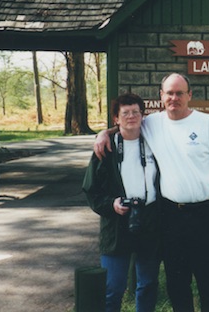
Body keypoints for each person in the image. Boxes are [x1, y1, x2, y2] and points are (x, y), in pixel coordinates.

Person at [94, 72, 209, 312]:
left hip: (205, 215)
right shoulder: (153, 123)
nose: (174, 98)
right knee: (177, 284)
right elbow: (128, 124)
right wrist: (104, 133)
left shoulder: (207, 123)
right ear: (161, 96)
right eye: (169, 93)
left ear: (189, 96)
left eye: (180, 93)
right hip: (171, 216)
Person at [83, 93, 161, 312]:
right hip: (117, 225)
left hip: (149, 221)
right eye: (125, 113)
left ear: (143, 115)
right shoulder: (105, 149)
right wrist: (111, 205)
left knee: (147, 284)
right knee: (113, 287)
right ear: (115, 119)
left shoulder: (155, 143)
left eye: (136, 112)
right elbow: (91, 189)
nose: (131, 117)